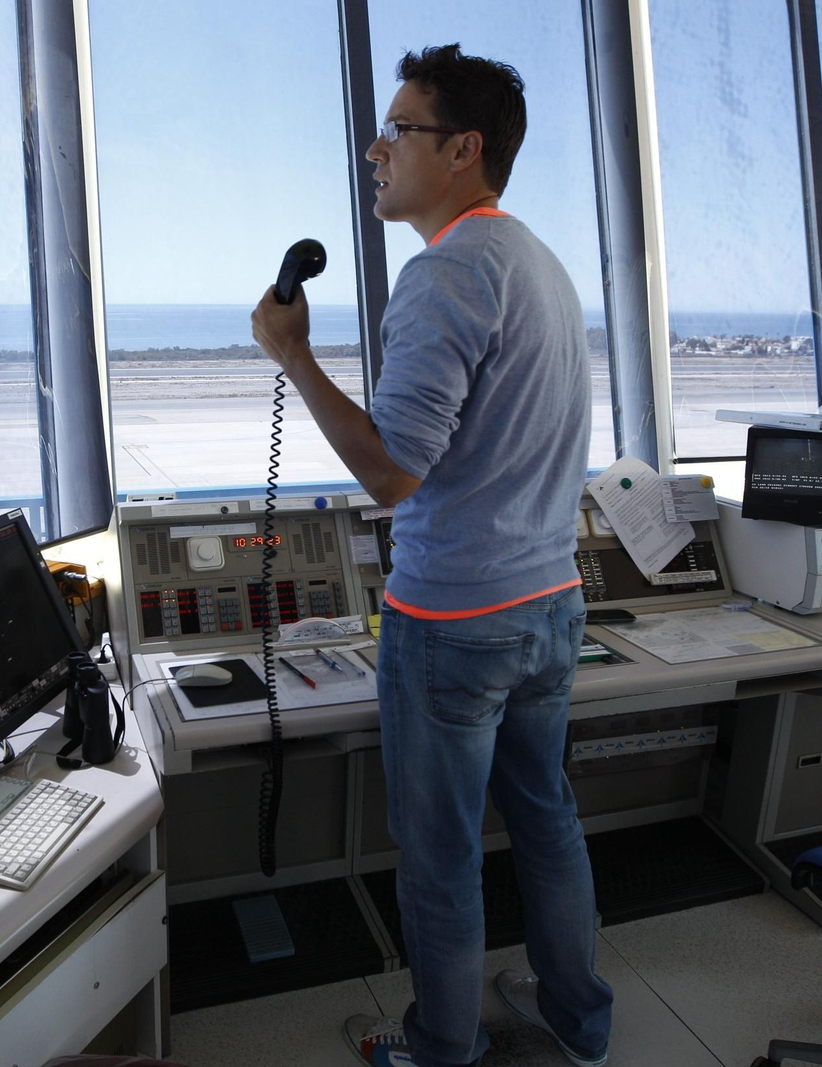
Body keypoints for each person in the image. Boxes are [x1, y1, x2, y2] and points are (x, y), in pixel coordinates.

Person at [250, 43, 613, 1067]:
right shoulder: (535, 262)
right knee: (546, 821)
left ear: (462, 149)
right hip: (549, 603)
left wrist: (293, 355)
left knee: (442, 857)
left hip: (455, 621)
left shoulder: (445, 271)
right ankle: (577, 1023)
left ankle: (442, 1049)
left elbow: (392, 472)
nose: (375, 149)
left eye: (397, 129)